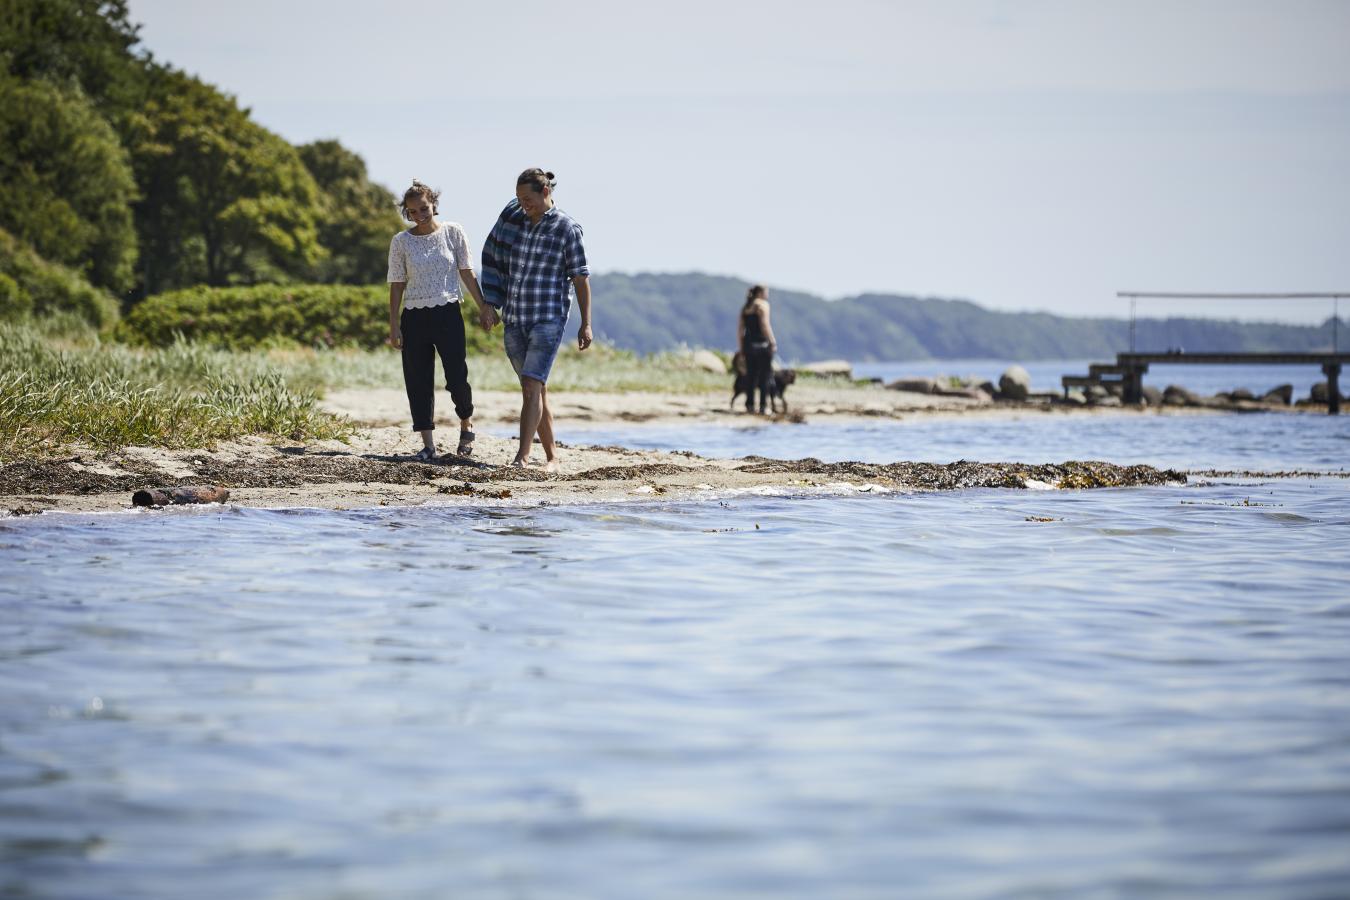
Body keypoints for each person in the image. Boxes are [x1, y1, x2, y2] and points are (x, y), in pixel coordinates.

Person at [480, 168, 591, 472]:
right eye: (519, 199)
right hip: (515, 316)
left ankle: (522, 457)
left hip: (548, 319)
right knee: (536, 389)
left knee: (531, 385)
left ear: (545, 192)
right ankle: (553, 458)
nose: (522, 205)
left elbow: (580, 277)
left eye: (527, 199)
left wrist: (586, 323)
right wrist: (490, 302)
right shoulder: (515, 222)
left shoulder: (567, 228)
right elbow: (495, 256)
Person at [386, 179, 496, 461]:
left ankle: (466, 424)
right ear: (407, 213)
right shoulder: (401, 242)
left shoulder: (453, 232)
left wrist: (484, 307)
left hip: (448, 312)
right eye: (412, 211)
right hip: (414, 317)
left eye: (423, 208)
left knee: (457, 376)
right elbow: (396, 285)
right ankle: (428, 445)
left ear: (433, 204)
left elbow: (467, 272)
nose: (419, 215)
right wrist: (394, 325)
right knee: (418, 380)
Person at [737, 284, 777, 414]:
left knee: (751, 376)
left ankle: (749, 405)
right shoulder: (763, 305)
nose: (767, 295)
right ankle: (763, 406)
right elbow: (765, 325)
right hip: (762, 345)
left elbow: (740, 330)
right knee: (765, 376)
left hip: (748, 346)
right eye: (766, 292)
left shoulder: (745, 307)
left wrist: (741, 348)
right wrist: (772, 341)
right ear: (760, 293)